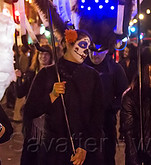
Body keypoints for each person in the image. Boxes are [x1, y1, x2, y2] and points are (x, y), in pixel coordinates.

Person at [23, 29, 104, 165]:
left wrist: (85, 146)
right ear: (68, 43)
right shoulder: (47, 74)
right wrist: (51, 96)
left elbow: (98, 115)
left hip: (84, 151)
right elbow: (30, 110)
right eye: (83, 45)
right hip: (53, 151)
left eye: (88, 47)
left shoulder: (93, 76)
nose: (85, 52)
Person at [84, 47, 128, 165]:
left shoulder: (115, 69)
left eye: (99, 51)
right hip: (84, 124)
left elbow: (124, 95)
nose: (94, 55)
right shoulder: (81, 67)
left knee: (107, 156)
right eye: (91, 51)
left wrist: (110, 107)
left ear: (107, 50)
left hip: (106, 122)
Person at [18, 45, 53, 164]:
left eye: (46, 54)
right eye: (41, 54)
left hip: (47, 119)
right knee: (30, 152)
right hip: (32, 120)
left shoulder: (54, 75)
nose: (43, 57)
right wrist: (18, 79)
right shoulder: (31, 74)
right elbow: (20, 93)